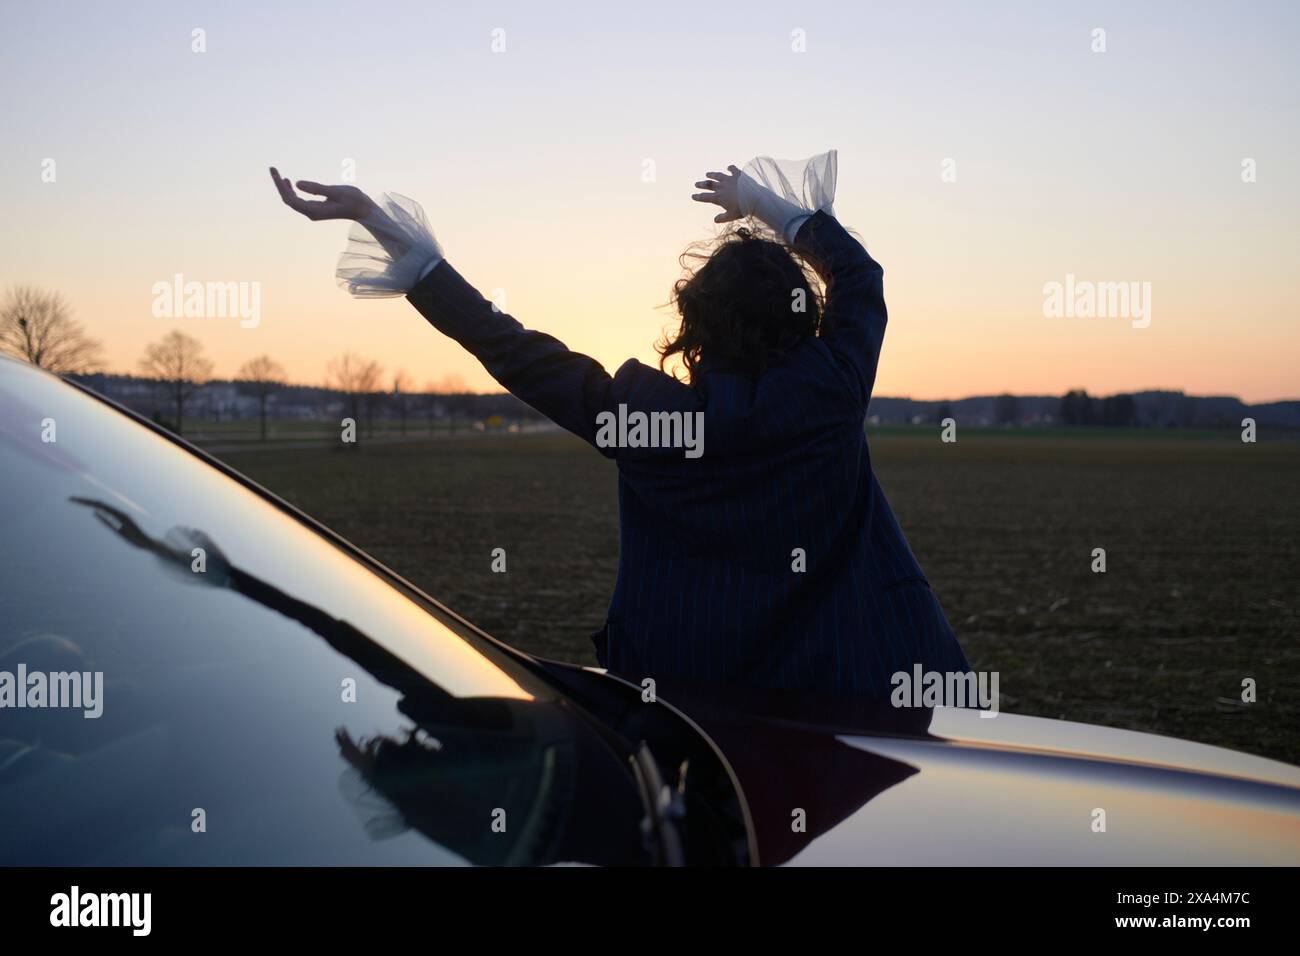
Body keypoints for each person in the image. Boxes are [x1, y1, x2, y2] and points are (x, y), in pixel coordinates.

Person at [270, 152, 972, 700]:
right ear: (803, 316)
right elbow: (859, 275)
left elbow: (510, 348)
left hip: (693, 712)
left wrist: (383, 224)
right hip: (860, 694)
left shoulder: (642, 421)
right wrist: (764, 204)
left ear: (694, 325)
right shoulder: (832, 389)